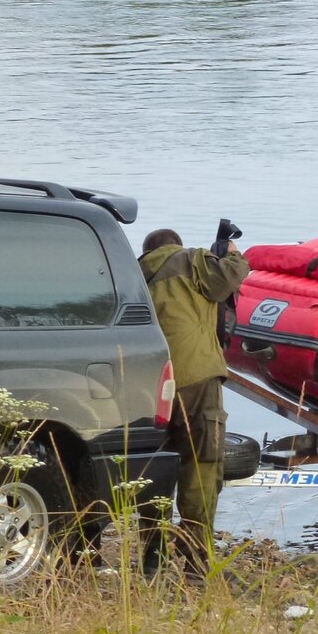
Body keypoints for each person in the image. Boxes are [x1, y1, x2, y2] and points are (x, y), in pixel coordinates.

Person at [139, 227, 249, 577]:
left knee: (155, 469)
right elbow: (228, 278)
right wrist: (231, 252)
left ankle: (152, 558)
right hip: (197, 379)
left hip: (149, 384)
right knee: (201, 466)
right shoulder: (190, 259)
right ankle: (197, 563)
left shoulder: (133, 272)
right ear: (175, 244)